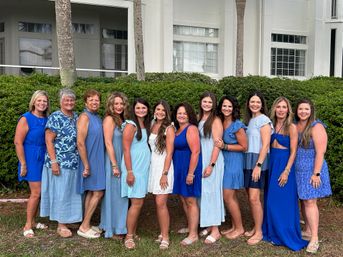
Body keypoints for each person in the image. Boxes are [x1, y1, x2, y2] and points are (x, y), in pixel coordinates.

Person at [262, 97, 308, 251]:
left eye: (284, 107)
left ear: (288, 110)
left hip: (284, 165)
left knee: (284, 202)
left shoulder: (292, 127)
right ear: (274, 109)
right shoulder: (271, 125)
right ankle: (273, 232)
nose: (281, 110)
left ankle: (285, 234)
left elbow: (294, 151)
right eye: (278, 107)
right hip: (272, 163)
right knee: (271, 201)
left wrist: (287, 171)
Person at [40, 88, 82, 238]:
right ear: (60, 102)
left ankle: (68, 219)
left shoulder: (76, 117)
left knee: (71, 192)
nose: (69, 102)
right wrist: (54, 162)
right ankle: (61, 224)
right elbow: (49, 140)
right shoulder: (55, 117)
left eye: (71, 100)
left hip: (74, 162)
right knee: (61, 193)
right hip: (60, 161)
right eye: (66, 100)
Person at [294, 98, 332, 254]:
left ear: (311, 111)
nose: (303, 112)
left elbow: (320, 152)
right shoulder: (296, 126)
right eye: (300, 109)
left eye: (306, 109)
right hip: (298, 170)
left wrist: (316, 173)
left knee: (310, 201)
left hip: (312, 169)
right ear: (296, 111)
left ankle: (314, 238)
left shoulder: (317, 126)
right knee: (303, 199)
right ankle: (308, 230)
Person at [14, 90, 50, 238]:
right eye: (39, 100)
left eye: (45, 101)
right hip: (30, 158)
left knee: (39, 192)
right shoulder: (26, 118)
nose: (42, 103)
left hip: (44, 156)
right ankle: (28, 225)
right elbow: (18, 142)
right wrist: (23, 163)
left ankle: (34, 222)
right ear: (34, 102)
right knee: (36, 192)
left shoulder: (47, 119)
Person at [215, 96, 247, 240]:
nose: (226, 108)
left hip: (234, 162)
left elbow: (244, 147)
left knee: (228, 196)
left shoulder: (237, 125)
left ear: (233, 108)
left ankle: (239, 228)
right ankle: (235, 226)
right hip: (224, 162)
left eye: (229, 106)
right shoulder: (220, 122)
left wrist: (225, 146)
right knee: (230, 196)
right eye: (224, 106)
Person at [121, 98, 151, 249]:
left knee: (138, 203)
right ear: (133, 109)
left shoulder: (144, 124)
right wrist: (130, 172)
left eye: (144, 108)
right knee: (136, 203)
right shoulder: (131, 125)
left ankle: (132, 231)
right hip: (134, 168)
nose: (141, 110)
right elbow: (126, 149)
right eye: (138, 108)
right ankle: (129, 237)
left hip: (142, 168)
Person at [243, 91, 273, 245]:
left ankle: (260, 232)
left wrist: (258, 165)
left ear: (262, 104)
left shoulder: (264, 120)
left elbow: (266, 144)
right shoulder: (249, 121)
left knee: (254, 197)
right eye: (252, 102)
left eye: (257, 102)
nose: (254, 104)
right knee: (250, 196)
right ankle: (256, 226)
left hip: (258, 160)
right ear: (248, 104)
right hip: (248, 159)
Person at [99, 92, 130, 239]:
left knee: (121, 195)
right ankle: (112, 228)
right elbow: (108, 142)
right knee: (114, 195)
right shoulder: (109, 119)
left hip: (122, 160)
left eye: (121, 104)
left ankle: (119, 226)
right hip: (113, 160)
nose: (119, 106)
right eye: (116, 104)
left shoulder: (122, 120)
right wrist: (114, 165)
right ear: (110, 105)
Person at [76, 89, 105, 239]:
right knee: (98, 192)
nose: (94, 102)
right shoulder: (84, 117)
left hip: (98, 158)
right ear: (85, 102)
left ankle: (85, 223)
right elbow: (80, 142)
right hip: (89, 159)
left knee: (91, 192)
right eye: (91, 100)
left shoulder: (97, 117)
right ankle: (84, 226)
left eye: (97, 100)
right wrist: (86, 164)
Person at [172, 102, 202, 246]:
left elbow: (196, 152)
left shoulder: (191, 129)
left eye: (184, 113)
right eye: (179, 113)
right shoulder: (177, 129)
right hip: (179, 167)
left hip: (189, 168)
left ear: (189, 115)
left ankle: (193, 234)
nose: (182, 115)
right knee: (184, 199)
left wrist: (190, 173)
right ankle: (191, 227)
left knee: (190, 201)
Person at [197, 92, 225, 244]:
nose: (207, 104)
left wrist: (211, 165)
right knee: (203, 193)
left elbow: (217, 144)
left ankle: (216, 230)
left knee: (212, 193)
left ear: (213, 104)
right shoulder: (199, 118)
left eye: (210, 102)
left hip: (212, 160)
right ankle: (208, 223)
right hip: (201, 159)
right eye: (204, 101)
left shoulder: (215, 120)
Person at [148, 100, 175, 250]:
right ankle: (162, 232)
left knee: (161, 203)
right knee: (157, 203)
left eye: (163, 110)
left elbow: (170, 152)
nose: (160, 112)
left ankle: (166, 236)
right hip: (153, 166)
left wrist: (164, 173)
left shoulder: (169, 128)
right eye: (158, 109)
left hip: (164, 167)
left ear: (167, 112)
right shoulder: (152, 125)